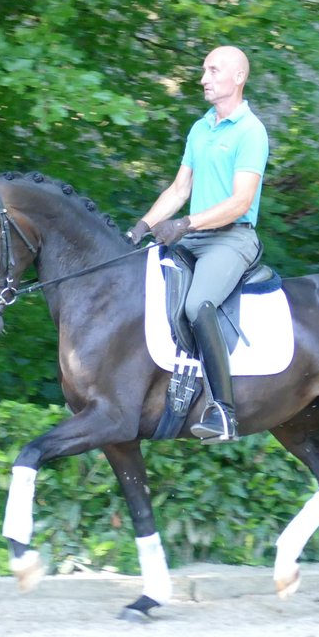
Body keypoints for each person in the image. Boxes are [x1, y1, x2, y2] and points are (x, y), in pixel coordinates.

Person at [126, 45, 269, 443]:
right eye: (204, 70)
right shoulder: (201, 128)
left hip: (231, 239)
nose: (203, 78)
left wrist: (186, 223)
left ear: (238, 78)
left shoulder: (250, 131)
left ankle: (223, 411)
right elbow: (178, 189)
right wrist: (139, 228)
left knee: (195, 304)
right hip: (194, 236)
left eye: (213, 70)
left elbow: (241, 202)